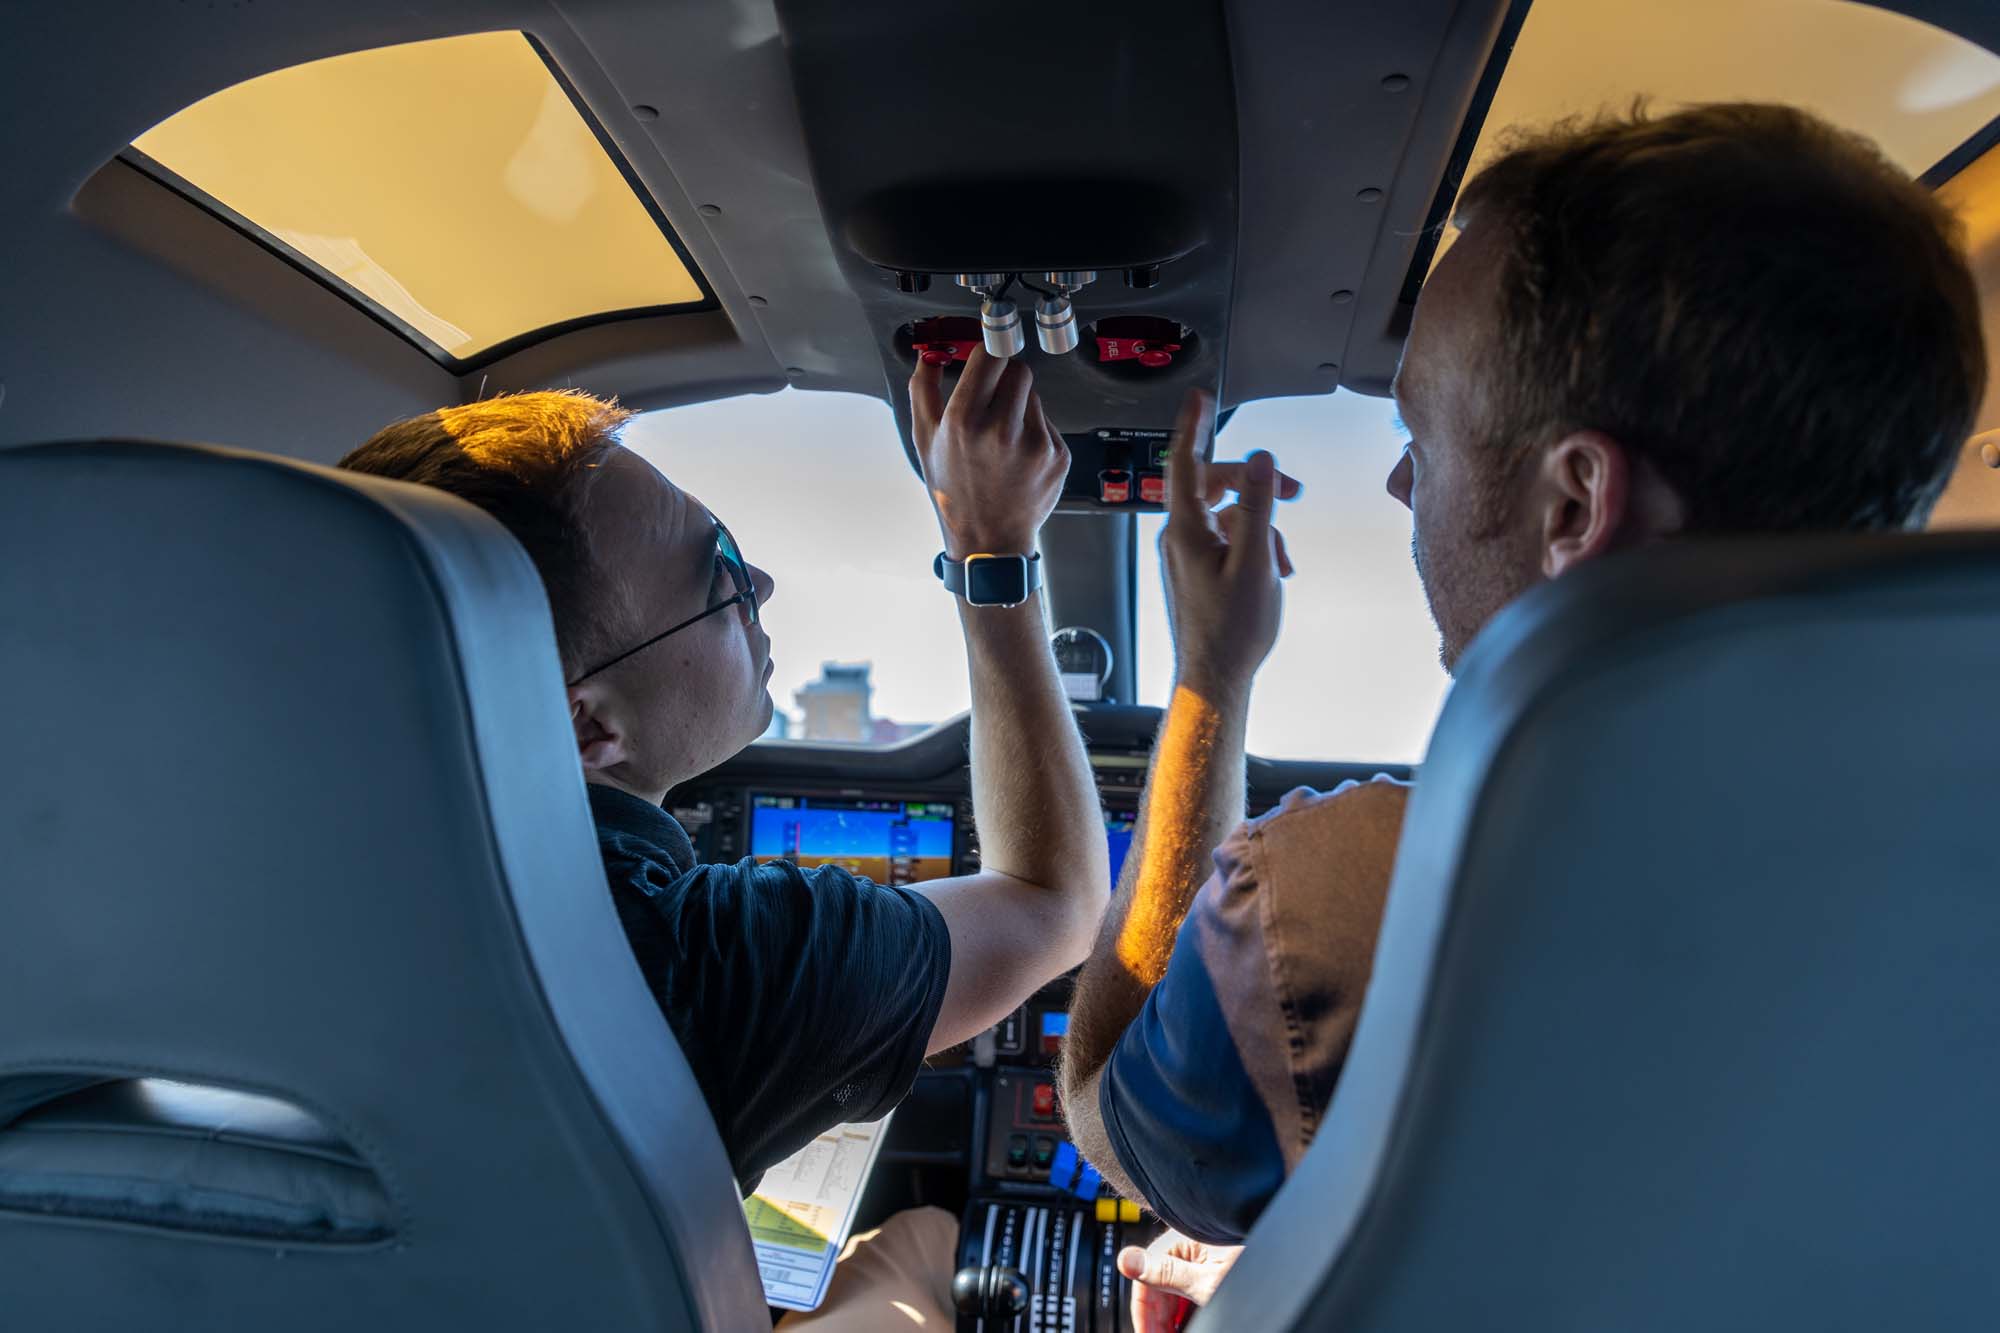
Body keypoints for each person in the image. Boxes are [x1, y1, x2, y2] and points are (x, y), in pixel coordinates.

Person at [1053, 101, 1987, 1325]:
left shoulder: (1341, 906)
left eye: (1419, 433)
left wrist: (1209, 678)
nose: (1400, 481)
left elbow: (1098, 1106)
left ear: (1573, 503)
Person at [338, 346, 1111, 1188]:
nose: (765, 585)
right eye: (723, 575)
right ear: (589, 725)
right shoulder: (716, 961)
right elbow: (1054, 899)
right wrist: (989, 547)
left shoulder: (242, 877)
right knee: (922, 1240)